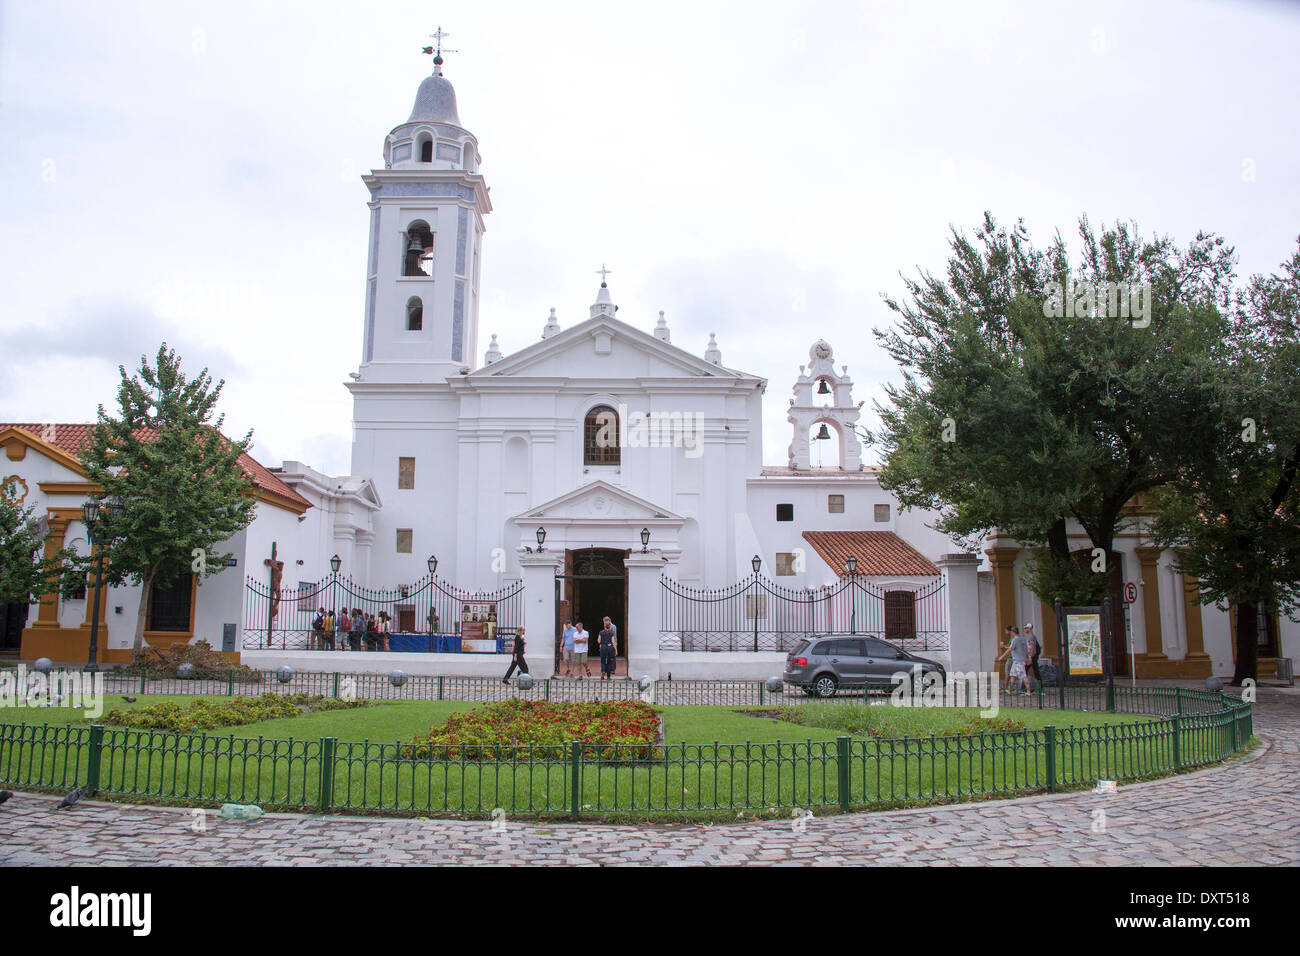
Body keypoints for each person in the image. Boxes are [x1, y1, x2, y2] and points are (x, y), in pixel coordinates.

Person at [996, 625, 1031, 695]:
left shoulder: (1015, 640)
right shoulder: (1023, 639)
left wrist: (1002, 657)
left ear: (1013, 632)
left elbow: (1010, 649)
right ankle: (1009, 690)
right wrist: (1028, 658)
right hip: (1018, 660)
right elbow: (1027, 650)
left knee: (1023, 676)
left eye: (1011, 632)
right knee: (1013, 675)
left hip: (1018, 660)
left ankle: (1028, 691)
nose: (1010, 634)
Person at [598, 616, 618, 680]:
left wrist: (601, 643)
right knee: (609, 661)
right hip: (610, 647)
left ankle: (603, 671)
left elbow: (598, 641)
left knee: (603, 661)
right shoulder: (611, 633)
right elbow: (613, 641)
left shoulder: (601, 632)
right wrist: (616, 649)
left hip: (603, 647)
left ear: (604, 625)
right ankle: (608, 676)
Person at [1024, 622, 1042, 691]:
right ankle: (1038, 688)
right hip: (1032, 656)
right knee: (1035, 671)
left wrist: (1030, 657)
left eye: (1026, 628)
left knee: (1026, 671)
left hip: (1032, 656)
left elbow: (1032, 647)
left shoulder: (1031, 637)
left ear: (1030, 628)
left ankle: (1029, 687)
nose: (1025, 629)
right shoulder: (1031, 636)